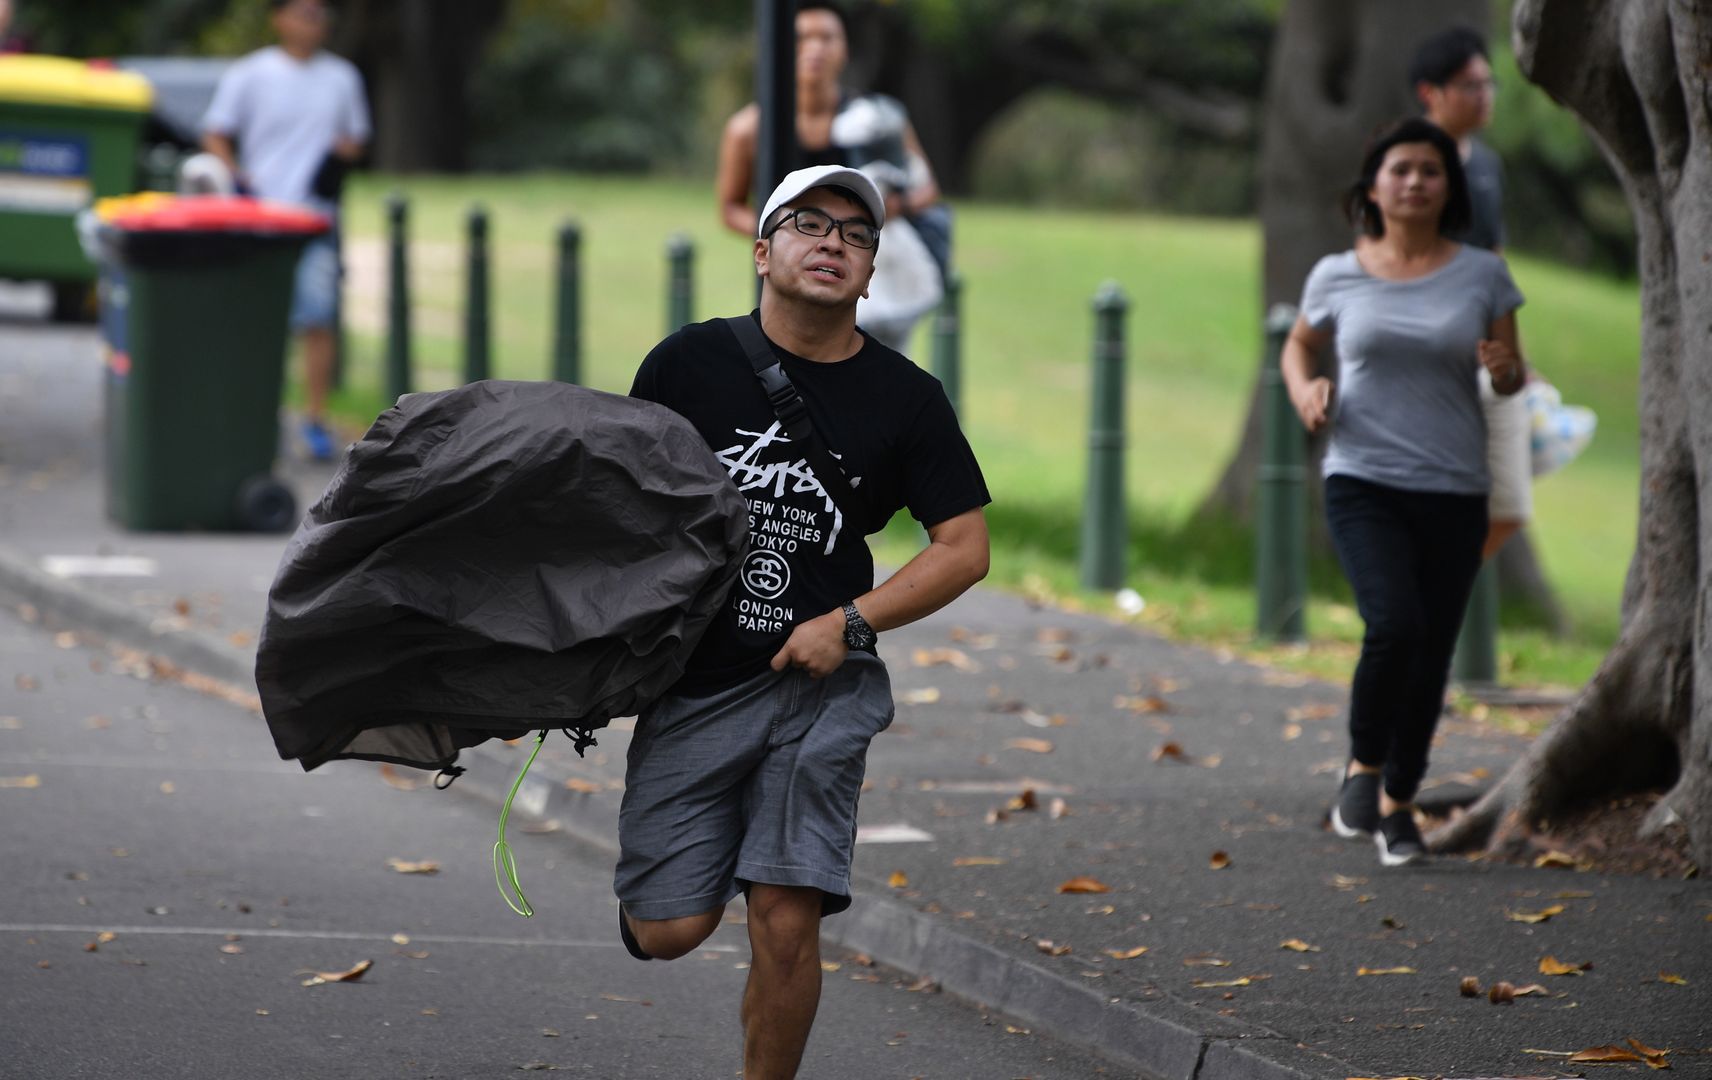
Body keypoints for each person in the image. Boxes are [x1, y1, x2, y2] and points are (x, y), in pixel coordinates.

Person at [620, 164, 990, 1078]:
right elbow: (618, 509)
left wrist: (851, 625)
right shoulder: (686, 364)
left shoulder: (906, 397)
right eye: (809, 224)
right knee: (668, 929)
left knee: (785, 917)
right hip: (697, 684)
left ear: (871, 276)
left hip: (819, 684)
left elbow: (963, 547)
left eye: (857, 235)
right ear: (762, 249)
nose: (833, 242)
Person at [1281, 118, 1526, 867]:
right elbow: (1300, 343)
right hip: (1363, 478)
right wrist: (1306, 391)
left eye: (1431, 170)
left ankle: (1401, 802)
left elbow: (1515, 374)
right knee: (1394, 622)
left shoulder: (1483, 273)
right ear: (1374, 186)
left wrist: (1502, 367)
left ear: (1449, 187)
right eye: (1401, 169)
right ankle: (1363, 766)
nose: (1415, 181)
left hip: (1453, 486)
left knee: (1432, 649)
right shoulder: (1336, 273)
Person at [715, 0, 947, 354]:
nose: (814, 49)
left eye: (827, 37)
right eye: (802, 38)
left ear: (845, 49)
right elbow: (730, 207)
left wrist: (885, 212)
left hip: (871, 283)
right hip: (784, 283)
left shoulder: (878, 120)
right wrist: (790, 238)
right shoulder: (749, 129)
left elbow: (927, 188)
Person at [201, 0, 369, 462]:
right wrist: (237, 178)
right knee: (257, 321)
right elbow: (216, 132)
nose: (315, 23)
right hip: (262, 216)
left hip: (315, 219)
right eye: (304, 13)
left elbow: (355, 139)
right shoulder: (251, 74)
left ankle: (313, 419)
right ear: (279, 18)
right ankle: (252, 414)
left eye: (321, 15)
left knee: (317, 318)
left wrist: (336, 161)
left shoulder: (342, 78)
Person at [1410, 26, 1531, 559]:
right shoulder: (1405, 162)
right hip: (1423, 355)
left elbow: (1494, 261)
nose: (1484, 97)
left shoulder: (1486, 166)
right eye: (1469, 86)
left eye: (1489, 84)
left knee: (1507, 506)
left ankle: (1432, 602)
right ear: (1430, 93)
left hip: (1481, 357)